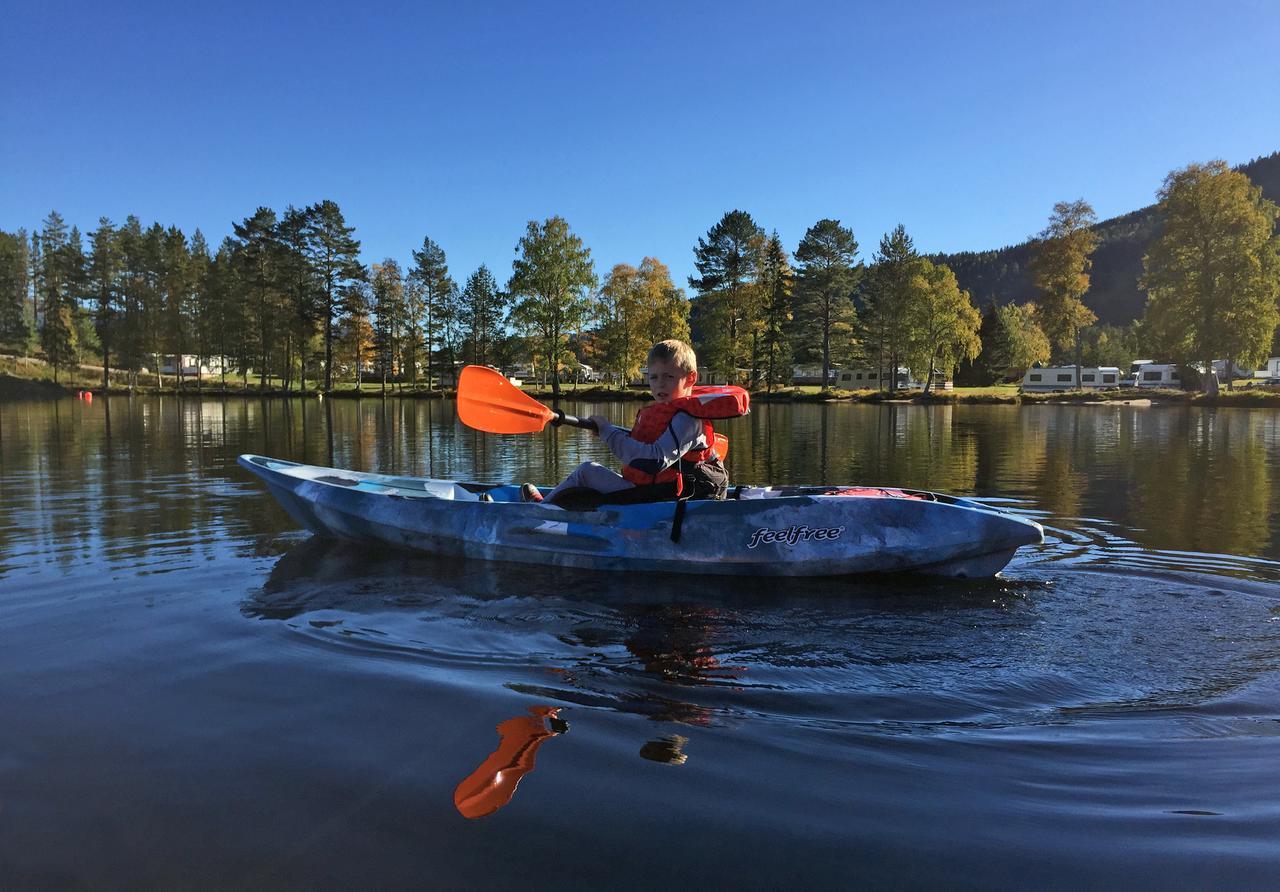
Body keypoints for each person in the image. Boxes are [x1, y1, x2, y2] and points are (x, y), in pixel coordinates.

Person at [521, 339, 746, 506]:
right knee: (589, 475)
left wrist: (608, 432)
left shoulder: (687, 418)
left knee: (586, 472)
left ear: (691, 378)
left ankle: (539, 511)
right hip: (655, 489)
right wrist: (605, 431)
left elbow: (654, 461)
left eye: (669, 377)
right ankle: (553, 504)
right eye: (654, 377)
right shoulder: (674, 414)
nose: (660, 385)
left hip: (662, 496)